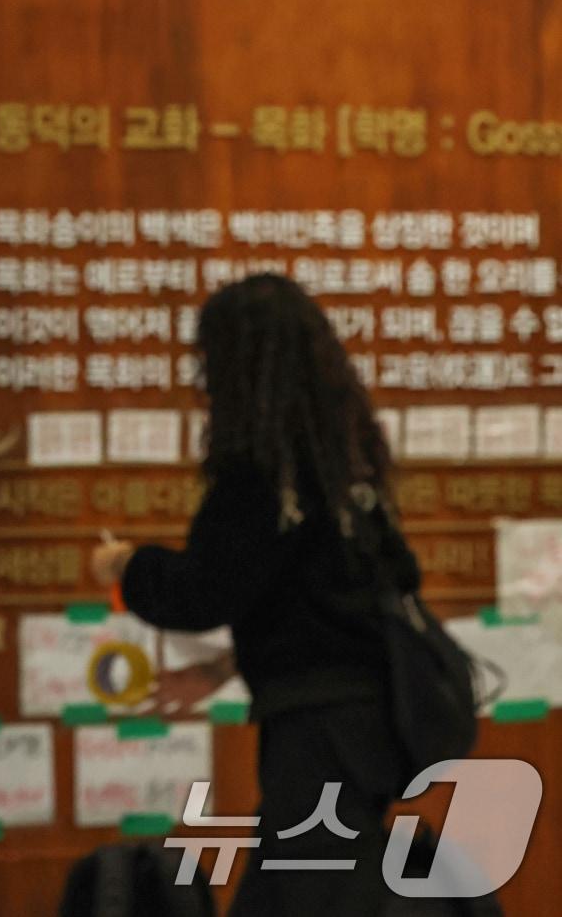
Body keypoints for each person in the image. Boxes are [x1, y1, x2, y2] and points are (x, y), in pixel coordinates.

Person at [92, 273, 420, 916]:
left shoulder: (263, 473)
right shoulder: (340, 461)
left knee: (303, 894)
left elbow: (204, 591)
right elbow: (351, 594)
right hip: (370, 723)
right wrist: (222, 667)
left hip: (318, 733)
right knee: (315, 887)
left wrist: (127, 564)